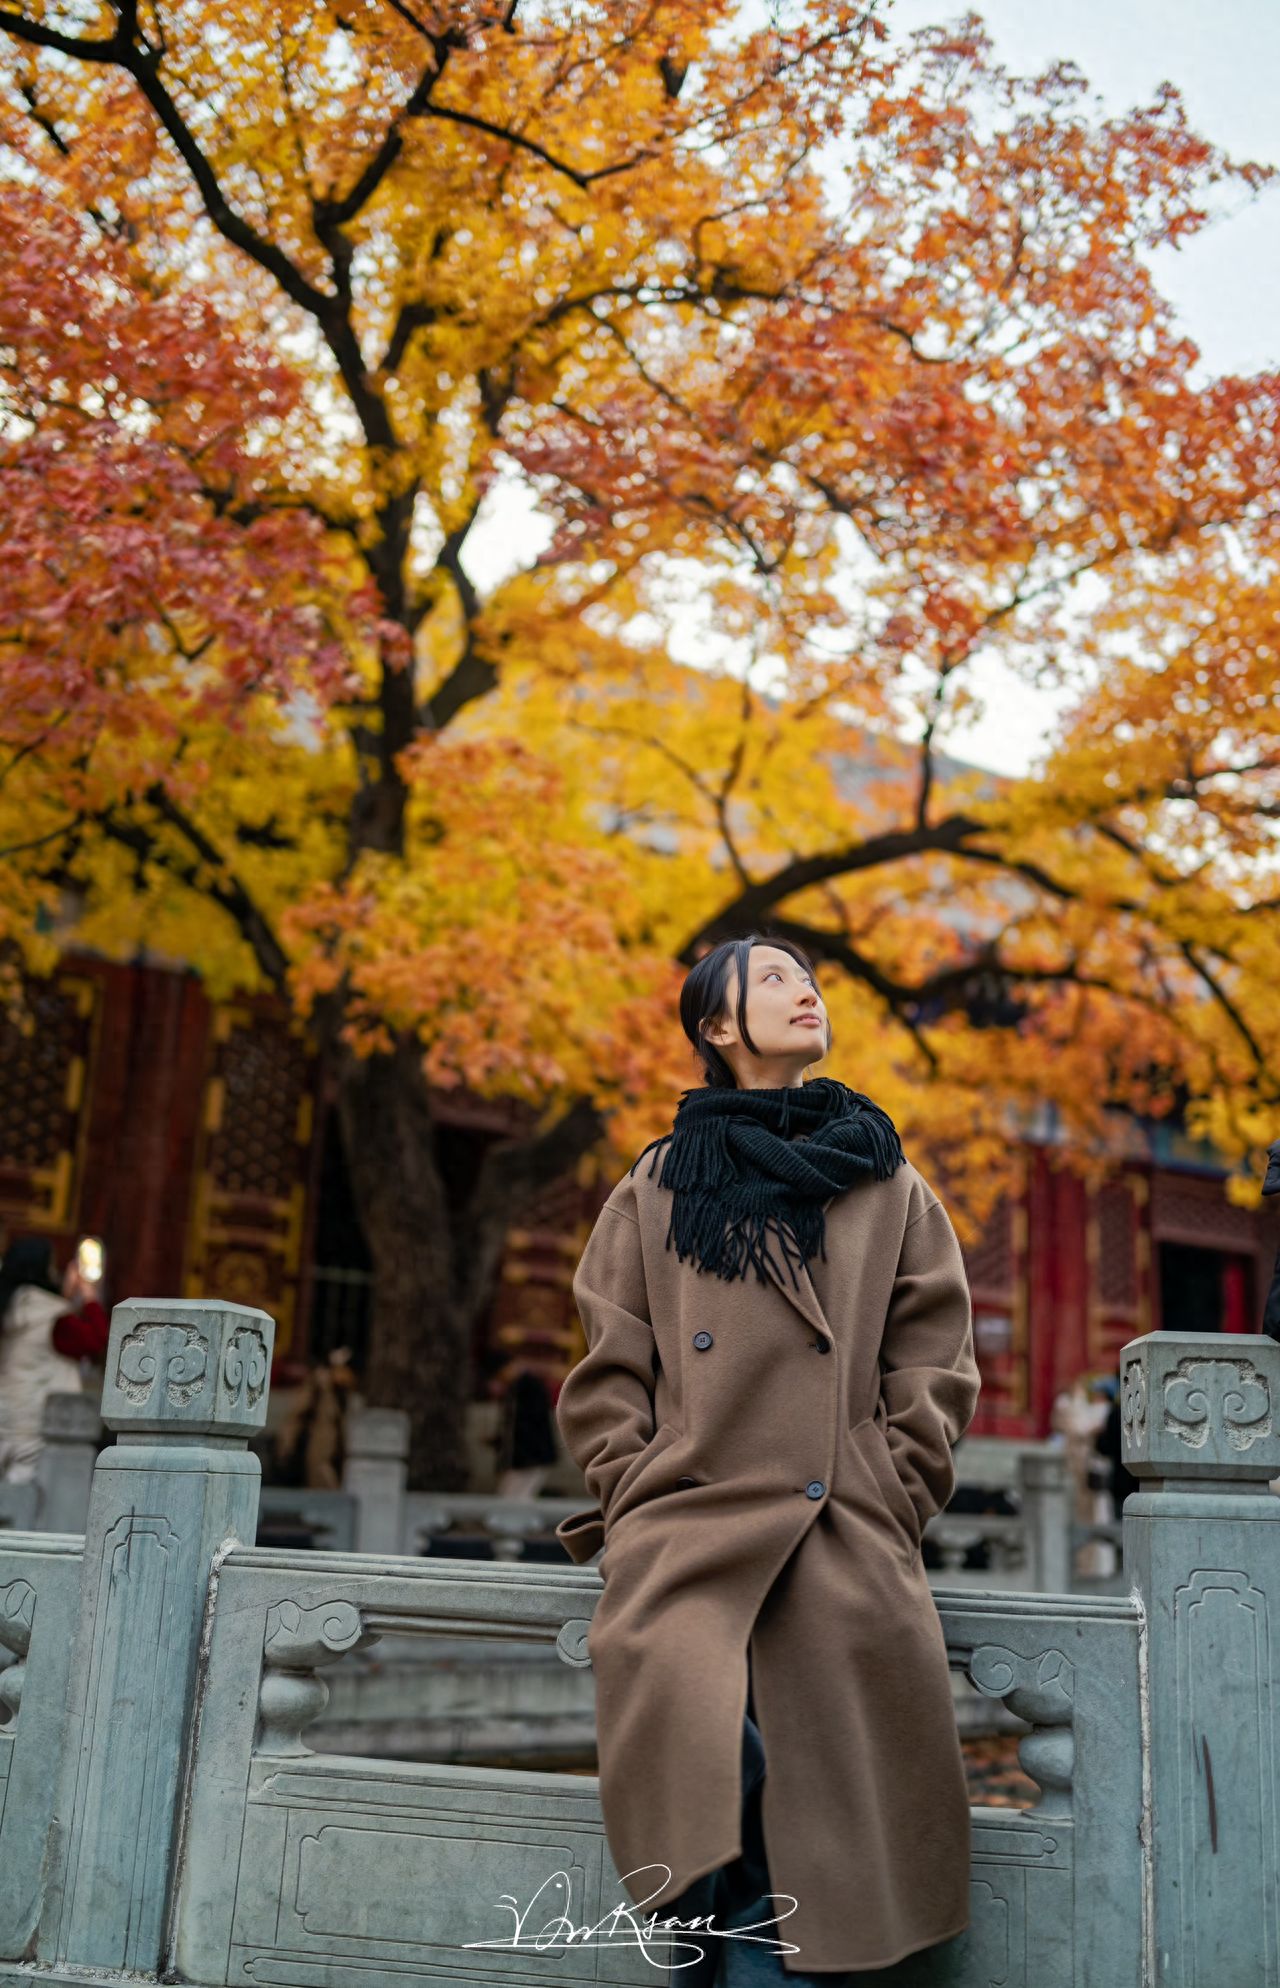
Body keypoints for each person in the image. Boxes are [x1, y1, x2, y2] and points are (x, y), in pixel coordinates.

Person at [553, 934, 980, 1982]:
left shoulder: (883, 1178)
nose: (806, 992)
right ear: (715, 1026)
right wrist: (638, 1485)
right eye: (776, 978)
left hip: (837, 1518)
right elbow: (607, 1366)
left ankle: (765, 1953)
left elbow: (936, 1358)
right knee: (691, 1720)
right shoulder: (658, 1183)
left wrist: (885, 1481)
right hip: (687, 1518)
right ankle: (726, 1930)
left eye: (809, 978)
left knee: (821, 1799)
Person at [0, 1237, 109, 1483]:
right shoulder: (53, 1318)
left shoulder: (8, 1307)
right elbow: (96, 1340)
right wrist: (89, 1296)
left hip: (5, 1416)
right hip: (33, 1427)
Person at [493, 1361, 558, 1499]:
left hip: (527, 1459)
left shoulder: (522, 1392)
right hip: (530, 1457)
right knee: (518, 1496)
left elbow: (522, 1429)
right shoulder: (525, 1391)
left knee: (515, 1497)